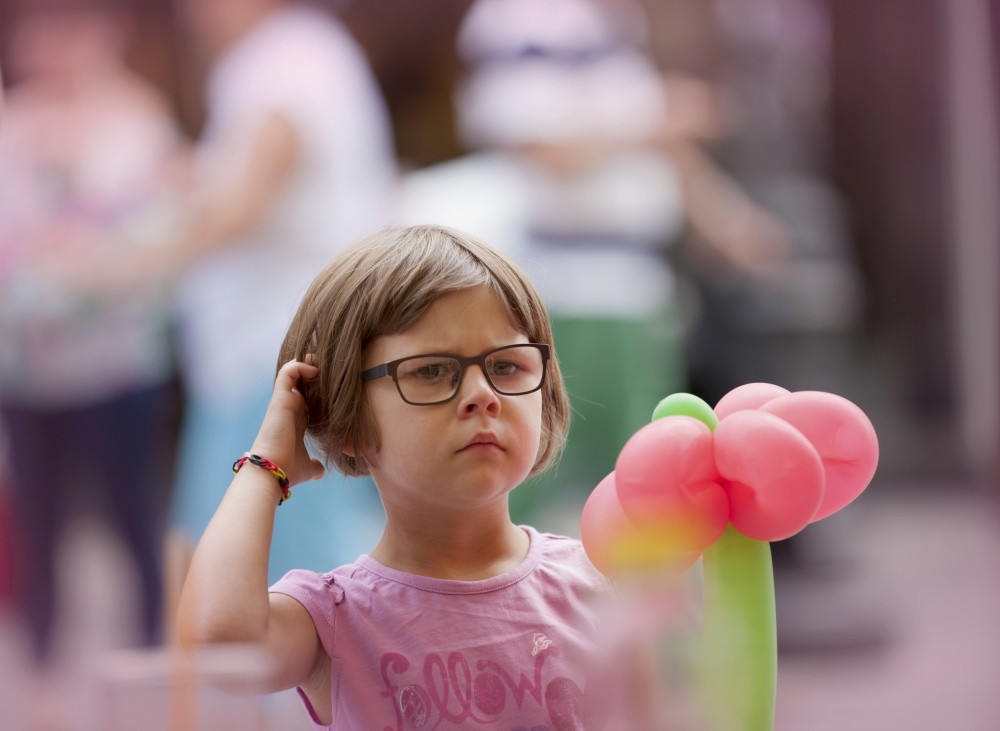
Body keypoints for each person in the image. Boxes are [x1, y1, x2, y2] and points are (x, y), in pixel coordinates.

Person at [177, 225, 639, 730]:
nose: (482, 395)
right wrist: (266, 464)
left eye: (507, 366)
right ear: (345, 420)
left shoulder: (598, 581)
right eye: (432, 371)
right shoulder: (338, 621)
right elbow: (219, 643)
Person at [163, 0, 397, 587]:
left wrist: (120, 263)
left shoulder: (286, 63)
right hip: (276, 341)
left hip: (277, 349)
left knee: (278, 554)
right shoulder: (301, 54)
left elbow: (244, 204)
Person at [0, 1, 185, 725]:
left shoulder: (139, 119)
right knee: (38, 518)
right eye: (40, 29)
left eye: (71, 28)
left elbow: (160, 233)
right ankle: (43, 667)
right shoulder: (14, 119)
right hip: (27, 365)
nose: (55, 46)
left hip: (116, 362)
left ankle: (145, 660)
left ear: (108, 34)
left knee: (133, 512)